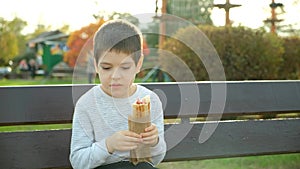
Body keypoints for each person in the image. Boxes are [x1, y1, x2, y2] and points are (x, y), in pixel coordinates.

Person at [69, 20, 166, 169]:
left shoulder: (150, 101)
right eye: (107, 68)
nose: (115, 76)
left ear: (138, 64)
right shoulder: (87, 104)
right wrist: (108, 145)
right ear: (96, 65)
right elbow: (78, 161)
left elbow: (155, 159)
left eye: (125, 67)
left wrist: (154, 142)